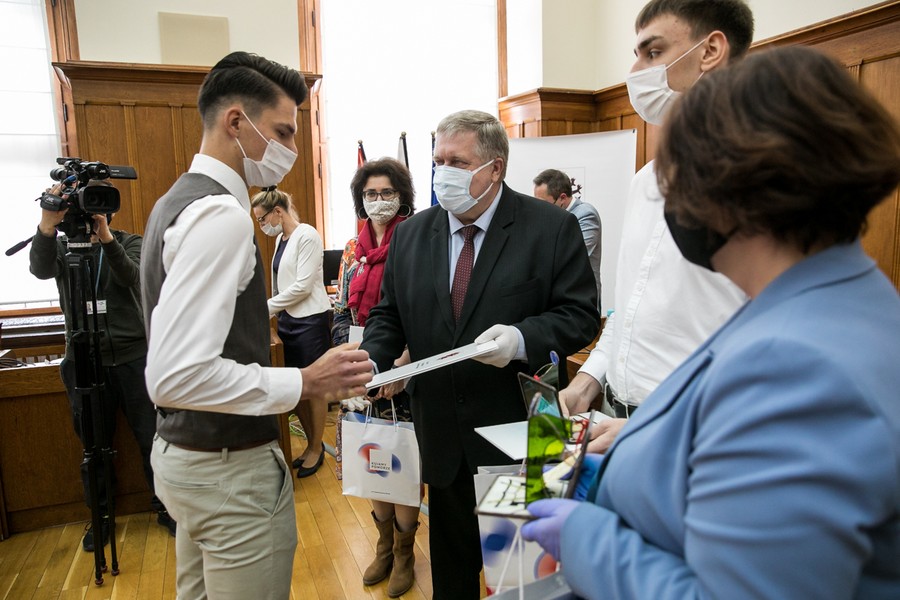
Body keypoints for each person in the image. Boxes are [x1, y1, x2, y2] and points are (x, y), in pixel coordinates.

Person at [523, 45, 900, 599]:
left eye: (677, 180)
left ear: (734, 188)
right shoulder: (824, 295)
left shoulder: (797, 367)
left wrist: (584, 537)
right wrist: (638, 453)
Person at [140, 51, 373, 599]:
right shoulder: (220, 214)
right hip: (228, 472)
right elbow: (174, 376)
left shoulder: (175, 202)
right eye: (283, 132)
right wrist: (305, 381)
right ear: (236, 122)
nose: (291, 150)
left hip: (184, 453)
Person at [359, 109, 601, 599]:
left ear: (495, 168)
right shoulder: (412, 234)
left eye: (457, 162)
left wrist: (521, 338)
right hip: (441, 433)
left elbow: (580, 316)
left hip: (523, 435)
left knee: (523, 580)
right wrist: (372, 360)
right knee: (452, 575)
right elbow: (389, 315)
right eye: (437, 161)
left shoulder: (551, 228)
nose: (442, 172)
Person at [559, 0, 750, 452]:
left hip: (701, 428)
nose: (634, 71)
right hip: (617, 412)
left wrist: (664, 428)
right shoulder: (645, 180)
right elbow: (630, 306)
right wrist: (589, 377)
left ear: (710, 51)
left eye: (653, 52)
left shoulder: (757, 178)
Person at [28, 182, 176, 552]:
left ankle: (167, 507)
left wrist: (106, 238)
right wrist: (47, 225)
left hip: (133, 358)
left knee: (152, 438)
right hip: (84, 359)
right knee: (93, 446)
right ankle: (101, 516)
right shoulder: (64, 248)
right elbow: (40, 269)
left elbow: (133, 277)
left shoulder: (130, 242)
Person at [331, 157, 419, 597]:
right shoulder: (352, 248)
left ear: (402, 197)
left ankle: (405, 552)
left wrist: (403, 362)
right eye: (370, 194)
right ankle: (383, 546)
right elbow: (340, 310)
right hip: (360, 370)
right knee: (370, 458)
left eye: (387, 193)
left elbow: (425, 312)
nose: (378, 200)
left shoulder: (416, 239)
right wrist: (345, 358)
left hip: (403, 371)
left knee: (400, 461)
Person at [250, 186, 332, 478]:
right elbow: (279, 282)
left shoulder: (307, 235)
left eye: (262, 219)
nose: (262, 225)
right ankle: (312, 443)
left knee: (315, 388)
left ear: (278, 211)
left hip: (310, 321)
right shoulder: (280, 239)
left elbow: (302, 286)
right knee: (296, 389)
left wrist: (265, 308)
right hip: (288, 320)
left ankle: (316, 447)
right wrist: (273, 313)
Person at [533, 168, 602, 311]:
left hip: (580, 299)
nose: (540, 209)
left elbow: (572, 256)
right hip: (552, 297)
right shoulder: (548, 217)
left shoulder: (586, 214)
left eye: (544, 204)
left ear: (562, 198)